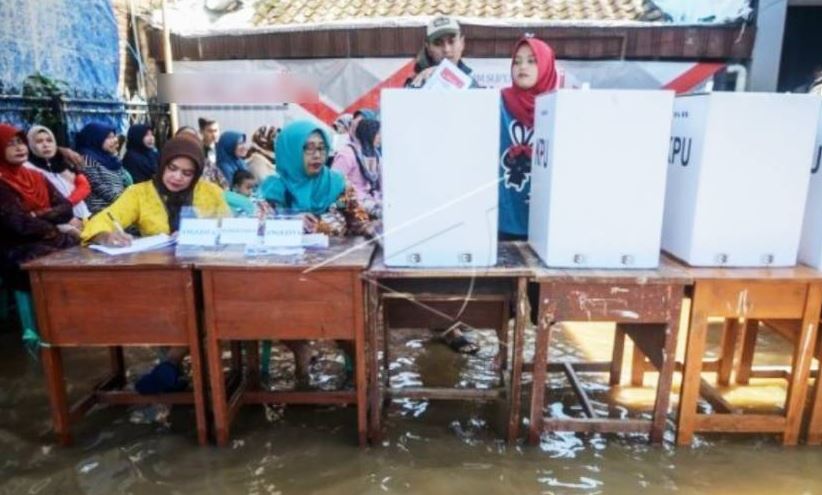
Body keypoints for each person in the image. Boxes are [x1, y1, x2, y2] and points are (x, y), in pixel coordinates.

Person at [82, 135, 230, 247]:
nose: (177, 177)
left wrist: (199, 234)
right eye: (172, 168)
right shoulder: (139, 194)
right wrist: (104, 236)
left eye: (187, 173)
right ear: (162, 164)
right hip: (158, 269)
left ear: (196, 175)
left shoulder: (211, 192)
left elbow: (229, 229)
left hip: (206, 266)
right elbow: (102, 220)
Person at [261, 120, 375, 237]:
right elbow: (257, 225)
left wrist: (371, 227)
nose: (317, 155)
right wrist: (291, 222)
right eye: (309, 148)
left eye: (321, 148)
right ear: (291, 151)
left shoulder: (335, 185)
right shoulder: (273, 188)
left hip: (334, 253)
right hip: (282, 254)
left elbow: (356, 219)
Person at [0, 124, 79, 292]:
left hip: (49, 237)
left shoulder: (36, 176)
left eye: (20, 142)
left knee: (83, 250)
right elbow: (18, 224)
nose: (19, 147)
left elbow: (66, 208)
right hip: (15, 246)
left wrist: (35, 214)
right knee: (55, 260)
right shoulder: (2, 182)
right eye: (10, 143)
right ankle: (51, 313)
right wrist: (51, 222)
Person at [25, 125, 92, 220]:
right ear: (30, 145)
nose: (45, 145)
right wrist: (63, 209)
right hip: (60, 221)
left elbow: (85, 186)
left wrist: (67, 203)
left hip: (83, 214)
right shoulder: (29, 168)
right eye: (39, 141)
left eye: (49, 140)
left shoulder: (63, 161)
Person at [405, 16, 479, 88]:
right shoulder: (417, 82)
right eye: (438, 43)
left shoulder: (472, 84)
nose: (446, 49)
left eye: (451, 41)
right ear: (429, 48)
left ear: (462, 43)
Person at [77, 122, 132, 214]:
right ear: (95, 139)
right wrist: (125, 202)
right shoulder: (87, 159)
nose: (114, 140)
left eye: (114, 136)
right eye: (108, 137)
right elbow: (98, 186)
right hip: (101, 212)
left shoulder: (112, 159)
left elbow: (121, 183)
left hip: (119, 208)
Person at [331, 117, 381, 217]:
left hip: (372, 200)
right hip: (351, 203)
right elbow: (334, 185)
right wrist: (341, 209)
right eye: (378, 133)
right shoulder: (347, 154)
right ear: (369, 133)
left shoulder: (376, 155)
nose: (381, 137)